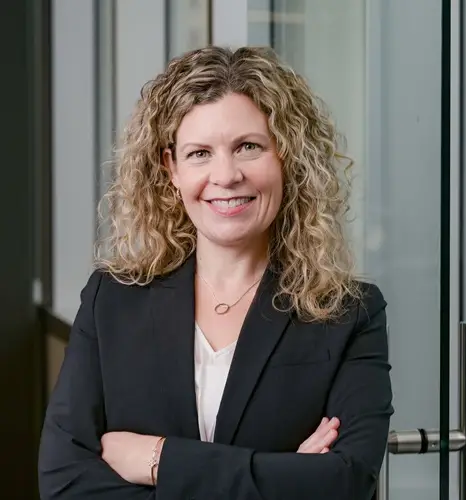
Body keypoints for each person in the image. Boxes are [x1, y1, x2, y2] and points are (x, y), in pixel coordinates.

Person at [38, 45, 393, 500]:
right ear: (172, 169)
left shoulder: (349, 313)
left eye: (248, 147)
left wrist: (158, 459)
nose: (225, 175)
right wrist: (283, 475)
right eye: (200, 152)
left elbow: (345, 483)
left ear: (285, 156)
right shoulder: (113, 299)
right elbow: (65, 482)